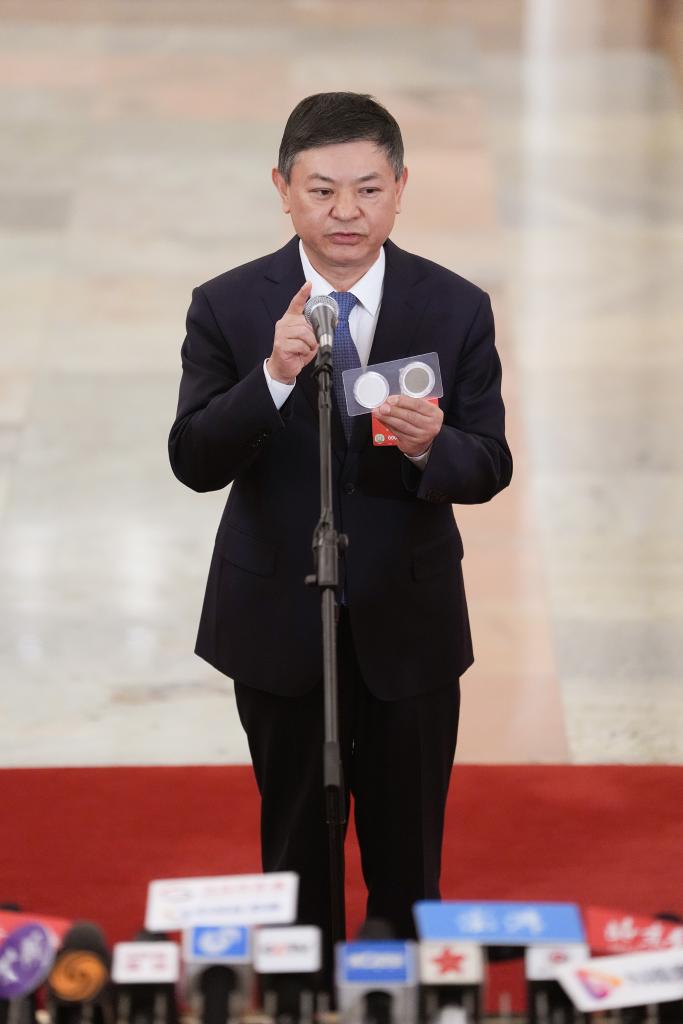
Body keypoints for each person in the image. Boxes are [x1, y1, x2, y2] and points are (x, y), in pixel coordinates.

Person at [169, 92, 512, 965]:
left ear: (400, 188)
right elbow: (194, 458)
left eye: (367, 189)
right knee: (293, 843)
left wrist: (439, 448)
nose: (346, 212)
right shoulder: (228, 305)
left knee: (407, 856)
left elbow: (490, 464)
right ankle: (301, 984)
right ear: (282, 189)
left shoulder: (455, 307)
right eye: (321, 191)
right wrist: (273, 377)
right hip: (279, 621)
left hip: (411, 623)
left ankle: (398, 985)